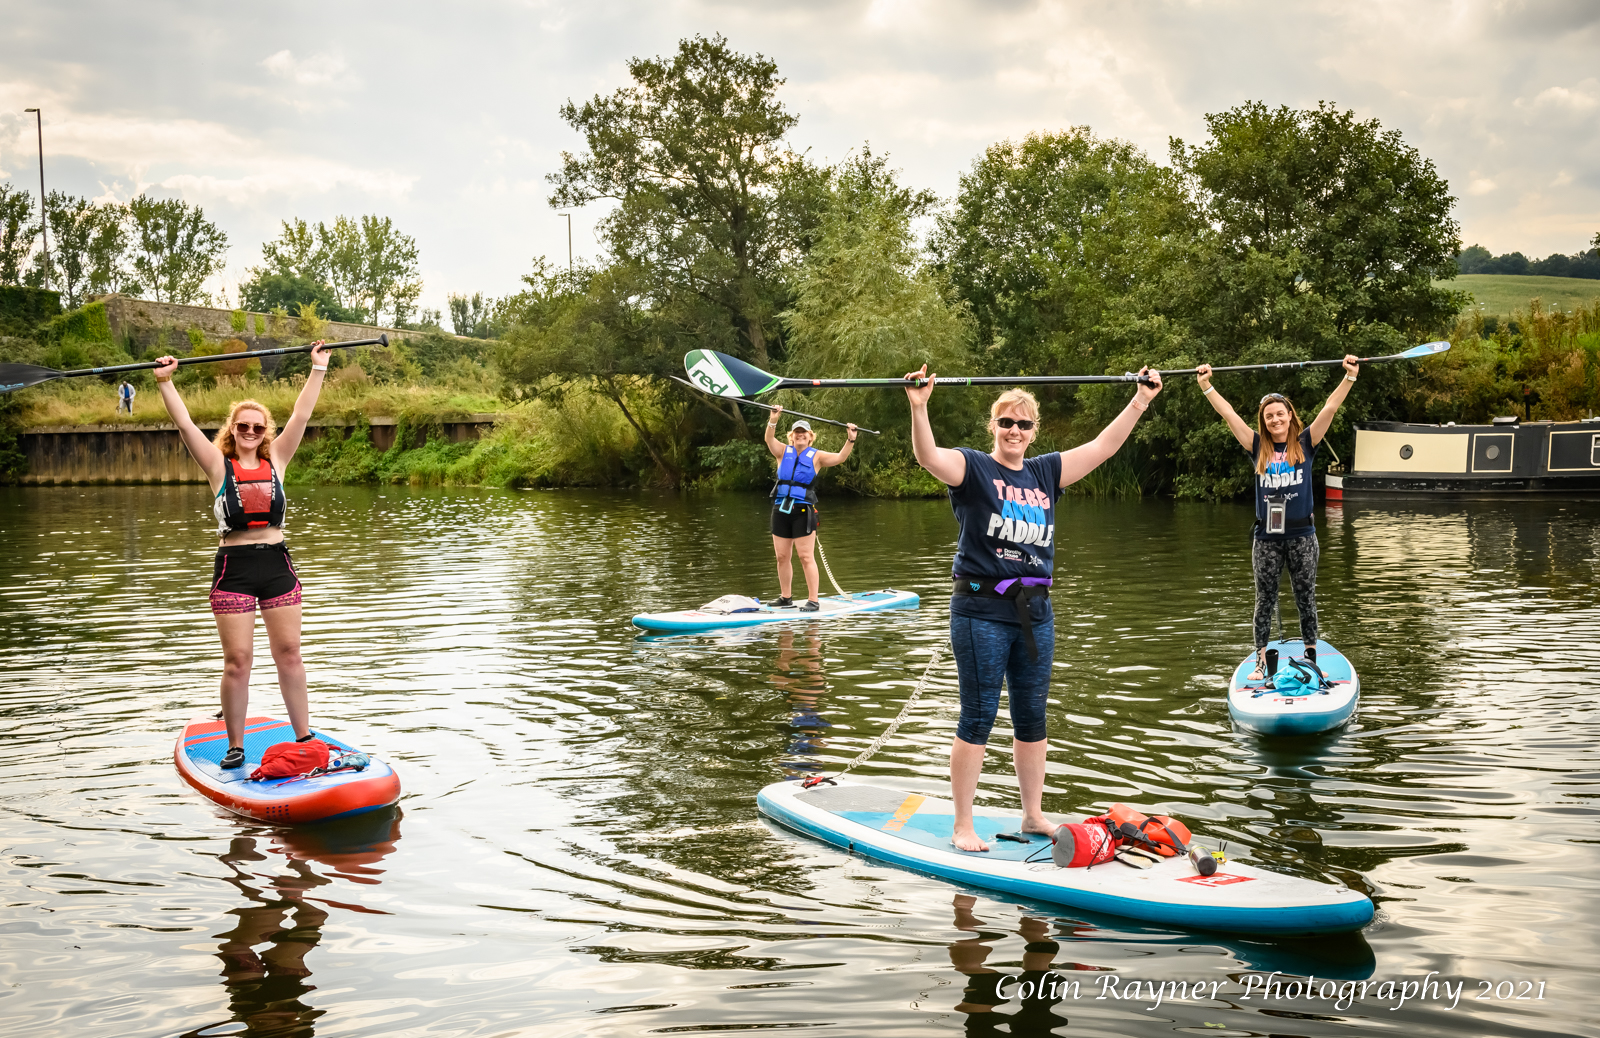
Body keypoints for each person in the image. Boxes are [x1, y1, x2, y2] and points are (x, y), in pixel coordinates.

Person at [905, 365, 1161, 852]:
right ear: (994, 427)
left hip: (1036, 614)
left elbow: (1103, 447)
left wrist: (1140, 401)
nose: (1015, 431)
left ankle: (1032, 815)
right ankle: (963, 825)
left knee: (1032, 718)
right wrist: (920, 407)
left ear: (1034, 431)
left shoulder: (1045, 472)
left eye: (1024, 424)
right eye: (1006, 422)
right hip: (980, 612)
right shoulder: (974, 467)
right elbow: (928, 456)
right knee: (977, 716)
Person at [153, 342, 333, 769]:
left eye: (257, 427)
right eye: (242, 426)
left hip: (276, 566)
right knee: (238, 662)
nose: (250, 432)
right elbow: (183, 424)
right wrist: (165, 382)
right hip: (233, 570)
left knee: (289, 653)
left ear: (265, 431)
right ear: (232, 430)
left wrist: (318, 369)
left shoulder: (279, 461)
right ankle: (235, 745)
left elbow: (302, 415)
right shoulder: (218, 466)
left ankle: (303, 735)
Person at [1195, 355, 1360, 680]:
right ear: (1264, 421)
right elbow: (1228, 414)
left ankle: (1311, 657)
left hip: (1302, 537)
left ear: (1289, 417)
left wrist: (1350, 377)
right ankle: (1260, 662)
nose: (1274, 419)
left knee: (1305, 597)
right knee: (1264, 600)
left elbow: (1329, 408)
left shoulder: (1306, 443)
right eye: (1269, 416)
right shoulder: (1257, 446)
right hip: (1267, 540)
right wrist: (1206, 386)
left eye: (1279, 414)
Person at [763, 409, 857, 611]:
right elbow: (769, 438)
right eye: (797, 432)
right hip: (781, 508)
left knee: (806, 556)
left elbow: (841, 458)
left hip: (803, 511)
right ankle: (785, 597)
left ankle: (813, 600)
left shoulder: (818, 457)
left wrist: (850, 439)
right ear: (792, 436)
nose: (800, 434)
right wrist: (773, 419)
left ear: (810, 436)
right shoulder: (781, 451)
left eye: (804, 432)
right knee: (781, 556)